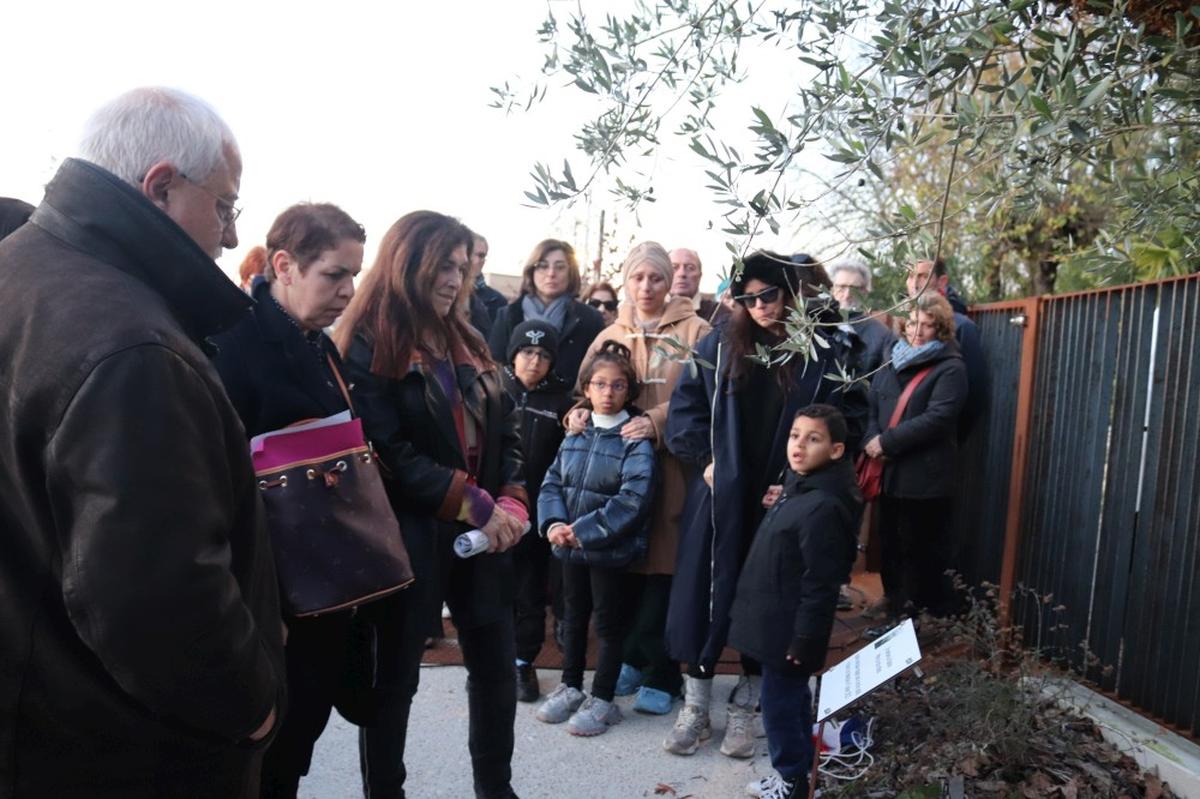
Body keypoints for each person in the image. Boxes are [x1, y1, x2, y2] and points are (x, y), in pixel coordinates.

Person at [0, 87, 283, 797]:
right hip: (116, 750)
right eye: (224, 206)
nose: (227, 235)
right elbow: (158, 600)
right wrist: (252, 707)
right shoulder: (133, 346)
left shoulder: (21, 269)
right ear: (161, 187)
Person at [334, 210, 527, 799]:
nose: (455, 278)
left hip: (483, 536)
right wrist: (475, 504)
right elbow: (385, 451)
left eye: (463, 267)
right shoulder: (367, 341)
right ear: (408, 262)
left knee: (495, 669)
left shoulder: (467, 336)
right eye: (444, 264)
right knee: (394, 682)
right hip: (410, 538)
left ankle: (497, 789)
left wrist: (513, 501)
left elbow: (508, 430)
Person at [664, 250, 863, 759]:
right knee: (705, 593)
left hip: (786, 499)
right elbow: (685, 408)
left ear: (791, 293)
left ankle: (748, 706)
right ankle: (696, 703)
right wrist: (705, 459)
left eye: (768, 295)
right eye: (747, 298)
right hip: (723, 493)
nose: (758, 307)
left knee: (768, 601)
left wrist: (804, 480)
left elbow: (849, 419)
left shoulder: (824, 349)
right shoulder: (720, 341)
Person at [210, 202, 367, 798]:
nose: (349, 290)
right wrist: (254, 600)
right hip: (270, 597)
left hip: (325, 588)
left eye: (355, 275)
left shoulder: (317, 345)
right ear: (285, 265)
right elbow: (218, 485)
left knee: (299, 739)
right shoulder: (232, 345)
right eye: (334, 274)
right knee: (264, 758)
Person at [572, 242, 711, 716]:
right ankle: (630, 656)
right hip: (619, 473)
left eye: (656, 278)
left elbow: (706, 396)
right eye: (638, 278)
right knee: (625, 563)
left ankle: (663, 671)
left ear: (670, 282)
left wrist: (657, 420)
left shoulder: (698, 330)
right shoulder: (610, 334)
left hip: (673, 467)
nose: (647, 287)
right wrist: (575, 416)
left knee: (665, 570)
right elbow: (586, 390)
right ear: (626, 281)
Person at [730, 404, 861, 799]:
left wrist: (805, 639)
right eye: (794, 435)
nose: (799, 445)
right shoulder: (799, 488)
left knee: (779, 706)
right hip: (773, 621)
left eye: (813, 438)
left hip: (788, 631)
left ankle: (791, 782)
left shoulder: (824, 505)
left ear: (836, 450)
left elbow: (820, 583)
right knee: (790, 700)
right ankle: (799, 775)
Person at [535, 342, 658, 736]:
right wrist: (554, 524)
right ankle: (571, 685)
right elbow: (553, 480)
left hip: (608, 550)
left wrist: (584, 532)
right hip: (568, 547)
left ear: (629, 391)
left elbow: (633, 499)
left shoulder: (634, 440)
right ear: (586, 388)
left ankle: (602, 698)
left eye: (618, 386)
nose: (608, 392)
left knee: (608, 624)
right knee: (571, 617)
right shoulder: (577, 431)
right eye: (600, 384)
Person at [863, 293, 968, 624]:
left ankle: (912, 616)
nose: (917, 331)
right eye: (912, 323)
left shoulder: (951, 368)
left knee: (917, 551)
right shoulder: (892, 358)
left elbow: (939, 418)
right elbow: (871, 404)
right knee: (890, 546)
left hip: (924, 479)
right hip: (889, 474)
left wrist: (886, 441)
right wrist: (869, 438)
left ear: (941, 329)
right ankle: (894, 604)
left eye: (927, 325)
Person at [501, 319, 575, 703]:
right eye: (527, 352)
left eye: (543, 355)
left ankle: (521, 662)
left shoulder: (562, 402)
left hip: (535, 514)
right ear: (513, 354)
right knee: (492, 591)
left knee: (530, 593)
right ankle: (489, 664)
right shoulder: (494, 390)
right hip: (495, 509)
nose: (534, 361)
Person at [488, 238, 605, 388]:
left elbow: (599, 370)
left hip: (570, 407)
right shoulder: (508, 315)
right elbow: (495, 366)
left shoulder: (590, 319)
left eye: (560, 267)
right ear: (532, 271)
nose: (551, 274)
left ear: (571, 272)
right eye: (542, 266)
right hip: (512, 405)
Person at [907, 258, 986, 436]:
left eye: (923, 276)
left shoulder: (962, 327)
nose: (915, 283)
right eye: (911, 276)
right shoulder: (900, 321)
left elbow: (974, 394)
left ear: (942, 281)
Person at [829, 258, 894, 377]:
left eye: (854, 289)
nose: (847, 294)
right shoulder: (816, 326)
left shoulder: (881, 335)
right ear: (832, 289)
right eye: (842, 287)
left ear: (865, 292)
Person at [467, 231, 508, 336]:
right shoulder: (445, 293)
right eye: (469, 253)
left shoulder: (497, 300)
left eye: (482, 256)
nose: (478, 260)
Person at [670, 246, 719, 322]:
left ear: (700, 276)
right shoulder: (650, 310)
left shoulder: (719, 313)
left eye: (690, 268)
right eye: (674, 267)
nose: (682, 273)